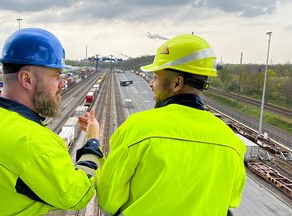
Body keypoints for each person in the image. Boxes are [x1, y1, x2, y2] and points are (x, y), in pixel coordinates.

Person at [83, 34, 246, 215]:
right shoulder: (232, 142)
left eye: (155, 77)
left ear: (177, 83)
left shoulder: (137, 129)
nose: (151, 84)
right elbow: (229, 201)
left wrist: (93, 143)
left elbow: (107, 199)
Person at [0, 28, 104, 215]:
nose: (63, 84)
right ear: (26, 79)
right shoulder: (34, 144)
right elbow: (78, 195)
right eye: (57, 75)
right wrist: (92, 142)